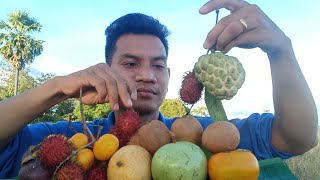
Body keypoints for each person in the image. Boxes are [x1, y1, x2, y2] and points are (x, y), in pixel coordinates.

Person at [0, 0, 318, 178]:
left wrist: (281, 49)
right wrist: (56, 89)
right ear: (104, 70)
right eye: (130, 63)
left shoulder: (204, 138)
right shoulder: (76, 144)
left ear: (168, 75)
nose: (147, 75)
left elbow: (297, 139)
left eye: (157, 65)